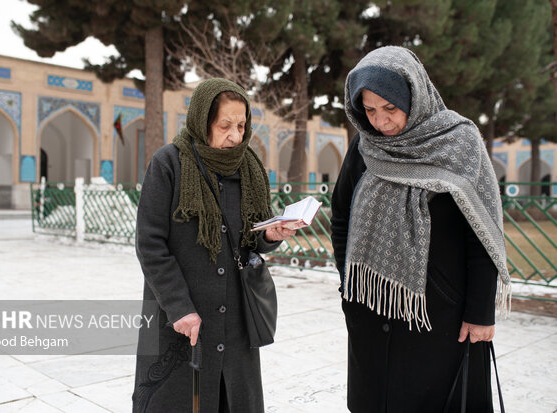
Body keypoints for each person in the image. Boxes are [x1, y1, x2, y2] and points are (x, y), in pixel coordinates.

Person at [331, 46, 511, 412]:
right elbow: (341, 217)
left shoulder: (458, 143)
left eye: (391, 109)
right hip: (372, 310)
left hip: (439, 318)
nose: (381, 122)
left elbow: (483, 233)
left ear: (415, 93)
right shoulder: (365, 146)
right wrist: (353, 283)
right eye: (369, 110)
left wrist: (480, 313)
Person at [132, 78, 295, 412]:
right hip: (181, 319)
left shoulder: (248, 167)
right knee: (179, 401)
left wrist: (269, 235)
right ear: (202, 121)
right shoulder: (169, 164)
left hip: (235, 323)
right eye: (225, 126)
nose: (235, 136)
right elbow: (150, 244)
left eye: (241, 125)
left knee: (231, 401)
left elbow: (251, 237)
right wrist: (178, 307)